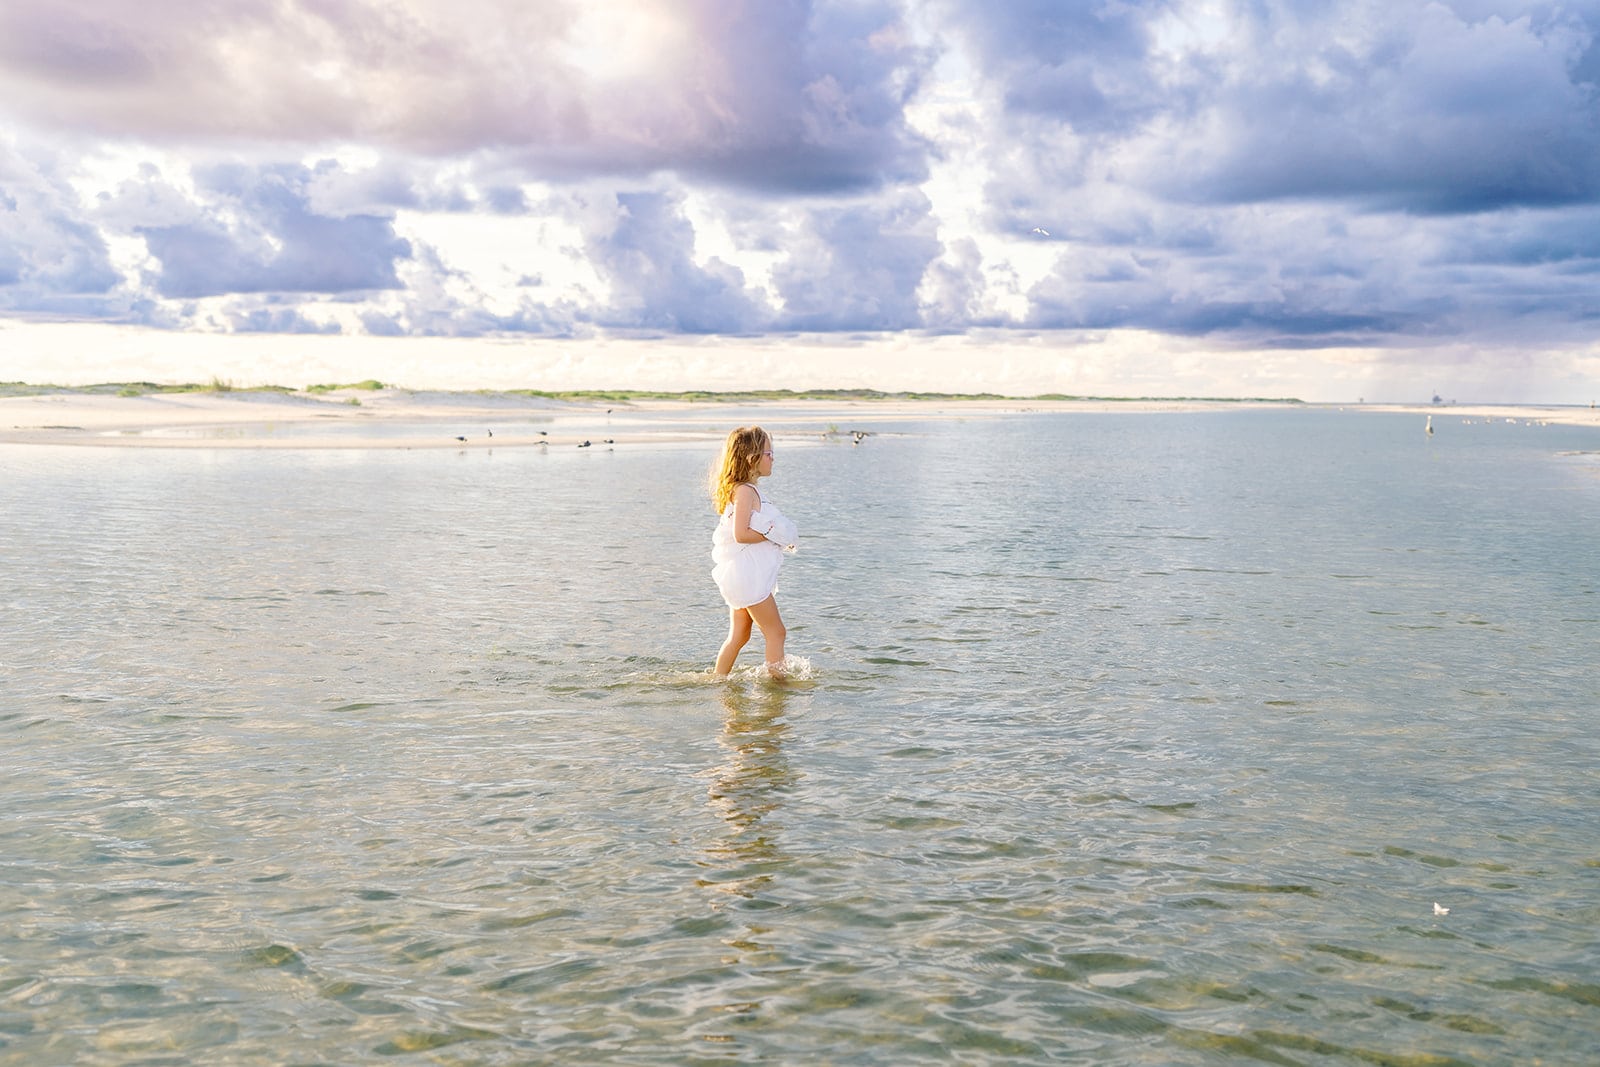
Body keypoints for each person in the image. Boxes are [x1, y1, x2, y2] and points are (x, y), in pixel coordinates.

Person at [708, 426, 797, 677]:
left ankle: (718, 680)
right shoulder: (745, 491)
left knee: (739, 635)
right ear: (752, 459)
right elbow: (741, 534)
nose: (773, 458)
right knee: (777, 632)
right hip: (747, 577)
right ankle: (777, 686)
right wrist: (774, 537)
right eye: (769, 453)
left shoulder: (745, 489)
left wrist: (776, 538)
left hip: (742, 575)